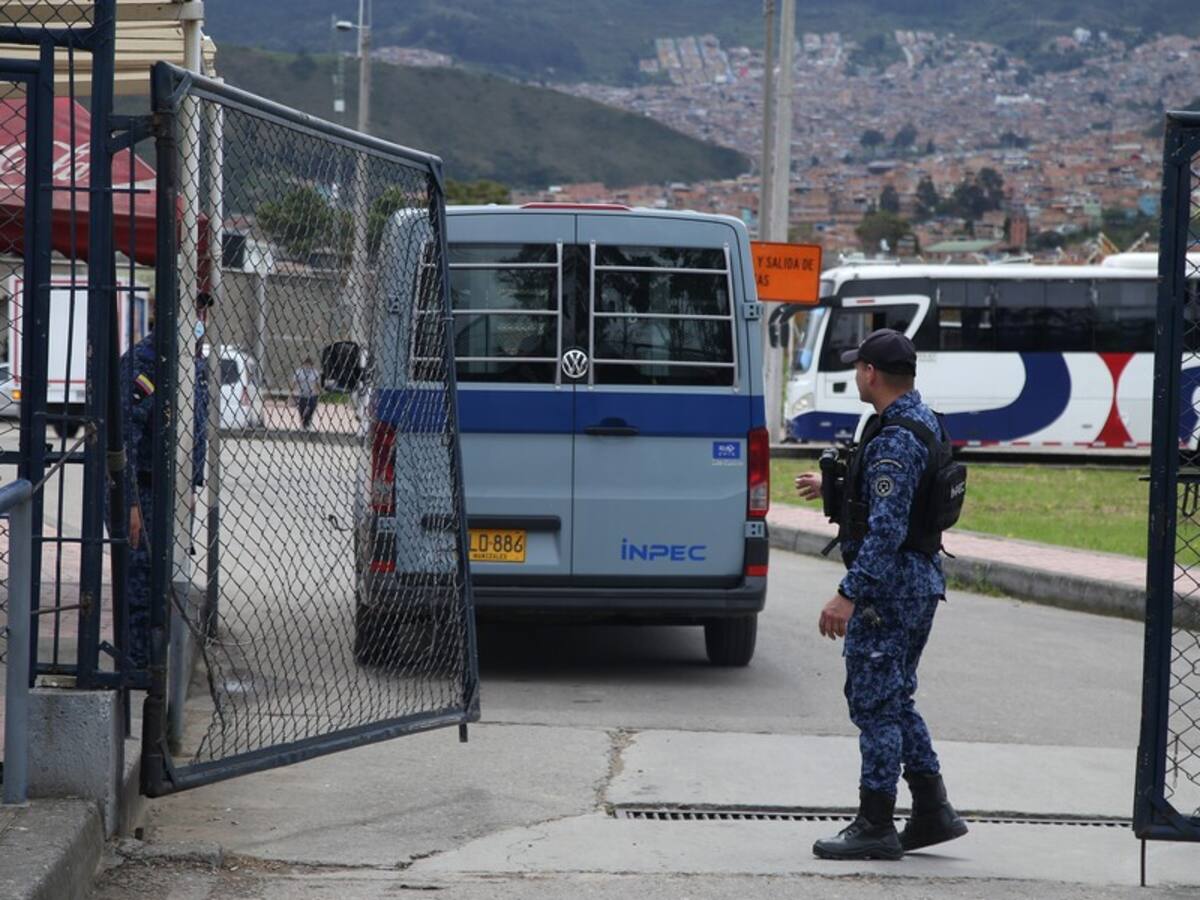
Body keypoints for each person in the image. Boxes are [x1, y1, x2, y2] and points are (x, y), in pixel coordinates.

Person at [794, 328, 967, 861]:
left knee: (874, 704)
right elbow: (905, 498)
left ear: (870, 372)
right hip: (919, 583)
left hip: (888, 592)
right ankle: (933, 809)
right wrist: (837, 488)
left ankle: (875, 822)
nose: (856, 374)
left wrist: (848, 593)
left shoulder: (894, 438)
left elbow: (887, 531)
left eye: (858, 366)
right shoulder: (922, 420)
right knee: (896, 698)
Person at [115, 292, 211, 668]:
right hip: (142, 488)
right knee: (139, 577)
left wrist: (190, 486)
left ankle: (152, 662)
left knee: (161, 579)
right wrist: (132, 504)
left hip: (172, 487)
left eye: (202, 310)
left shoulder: (190, 364)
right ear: (163, 313)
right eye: (192, 310)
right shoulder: (143, 363)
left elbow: (196, 429)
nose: (199, 318)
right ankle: (136, 665)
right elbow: (125, 438)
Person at [293, 356, 321, 430]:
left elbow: (317, 384)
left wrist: (318, 393)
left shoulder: (315, 373)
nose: (307, 366)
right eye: (306, 364)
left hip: (312, 394)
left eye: (309, 364)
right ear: (303, 364)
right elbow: (295, 382)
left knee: (311, 408)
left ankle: (308, 422)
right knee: (301, 410)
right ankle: (304, 423)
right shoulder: (299, 372)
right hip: (302, 394)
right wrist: (293, 391)